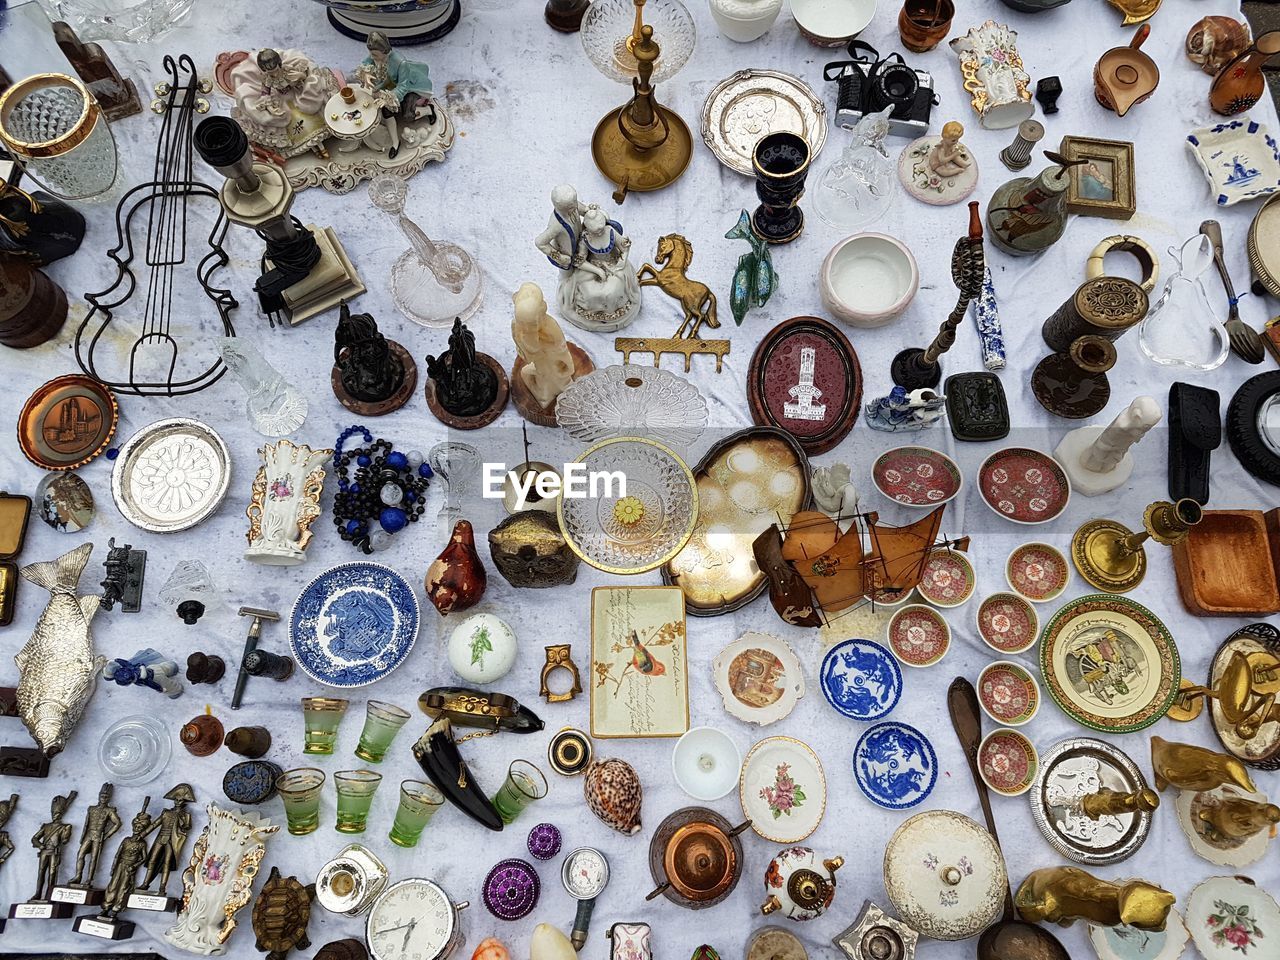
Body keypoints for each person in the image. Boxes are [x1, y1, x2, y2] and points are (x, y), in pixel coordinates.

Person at [228, 47, 337, 159]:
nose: (274, 74)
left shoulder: (288, 71)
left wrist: (299, 79)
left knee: (311, 123)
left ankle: (322, 147)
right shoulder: (267, 80)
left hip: (296, 97)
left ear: (279, 64)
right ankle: (314, 149)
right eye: (270, 72)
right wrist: (271, 109)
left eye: (275, 70)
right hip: (284, 103)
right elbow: (265, 96)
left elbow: (303, 77)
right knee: (299, 130)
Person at [354, 31, 437, 159]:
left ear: (384, 51)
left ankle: (428, 110)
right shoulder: (374, 56)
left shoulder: (400, 62)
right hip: (390, 85)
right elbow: (365, 63)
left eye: (375, 54)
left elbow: (403, 86)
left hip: (410, 88)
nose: (372, 56)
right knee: (387, 111)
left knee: (408, 116)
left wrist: (388, 98)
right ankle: (395, 143)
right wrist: (365, 74)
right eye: (371, 53)